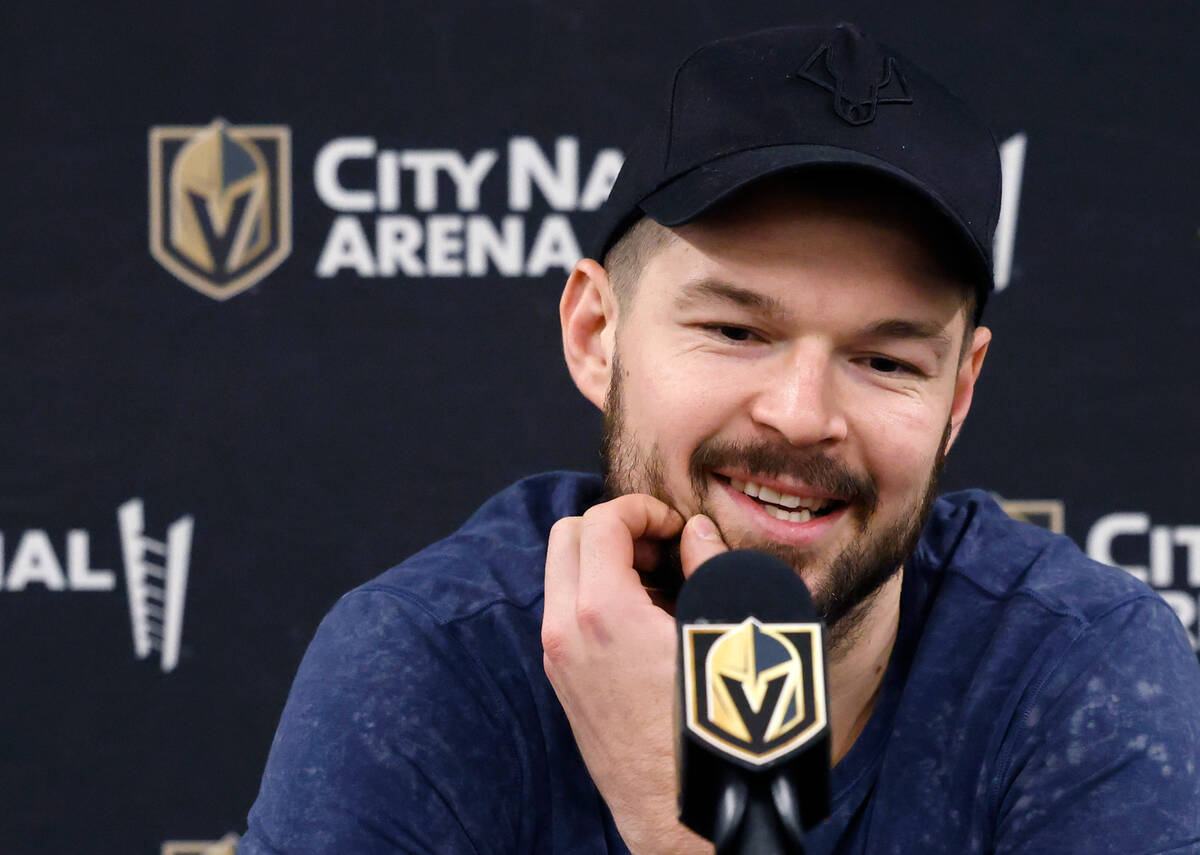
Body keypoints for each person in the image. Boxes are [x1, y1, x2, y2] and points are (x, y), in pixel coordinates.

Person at [240, 23, 1200, 854]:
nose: (801, 412)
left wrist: (683, 820)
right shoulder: (429, 665)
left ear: (959, 394)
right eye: (737, 332)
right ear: (595, 336)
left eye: (887, 361)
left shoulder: (1078, 671)